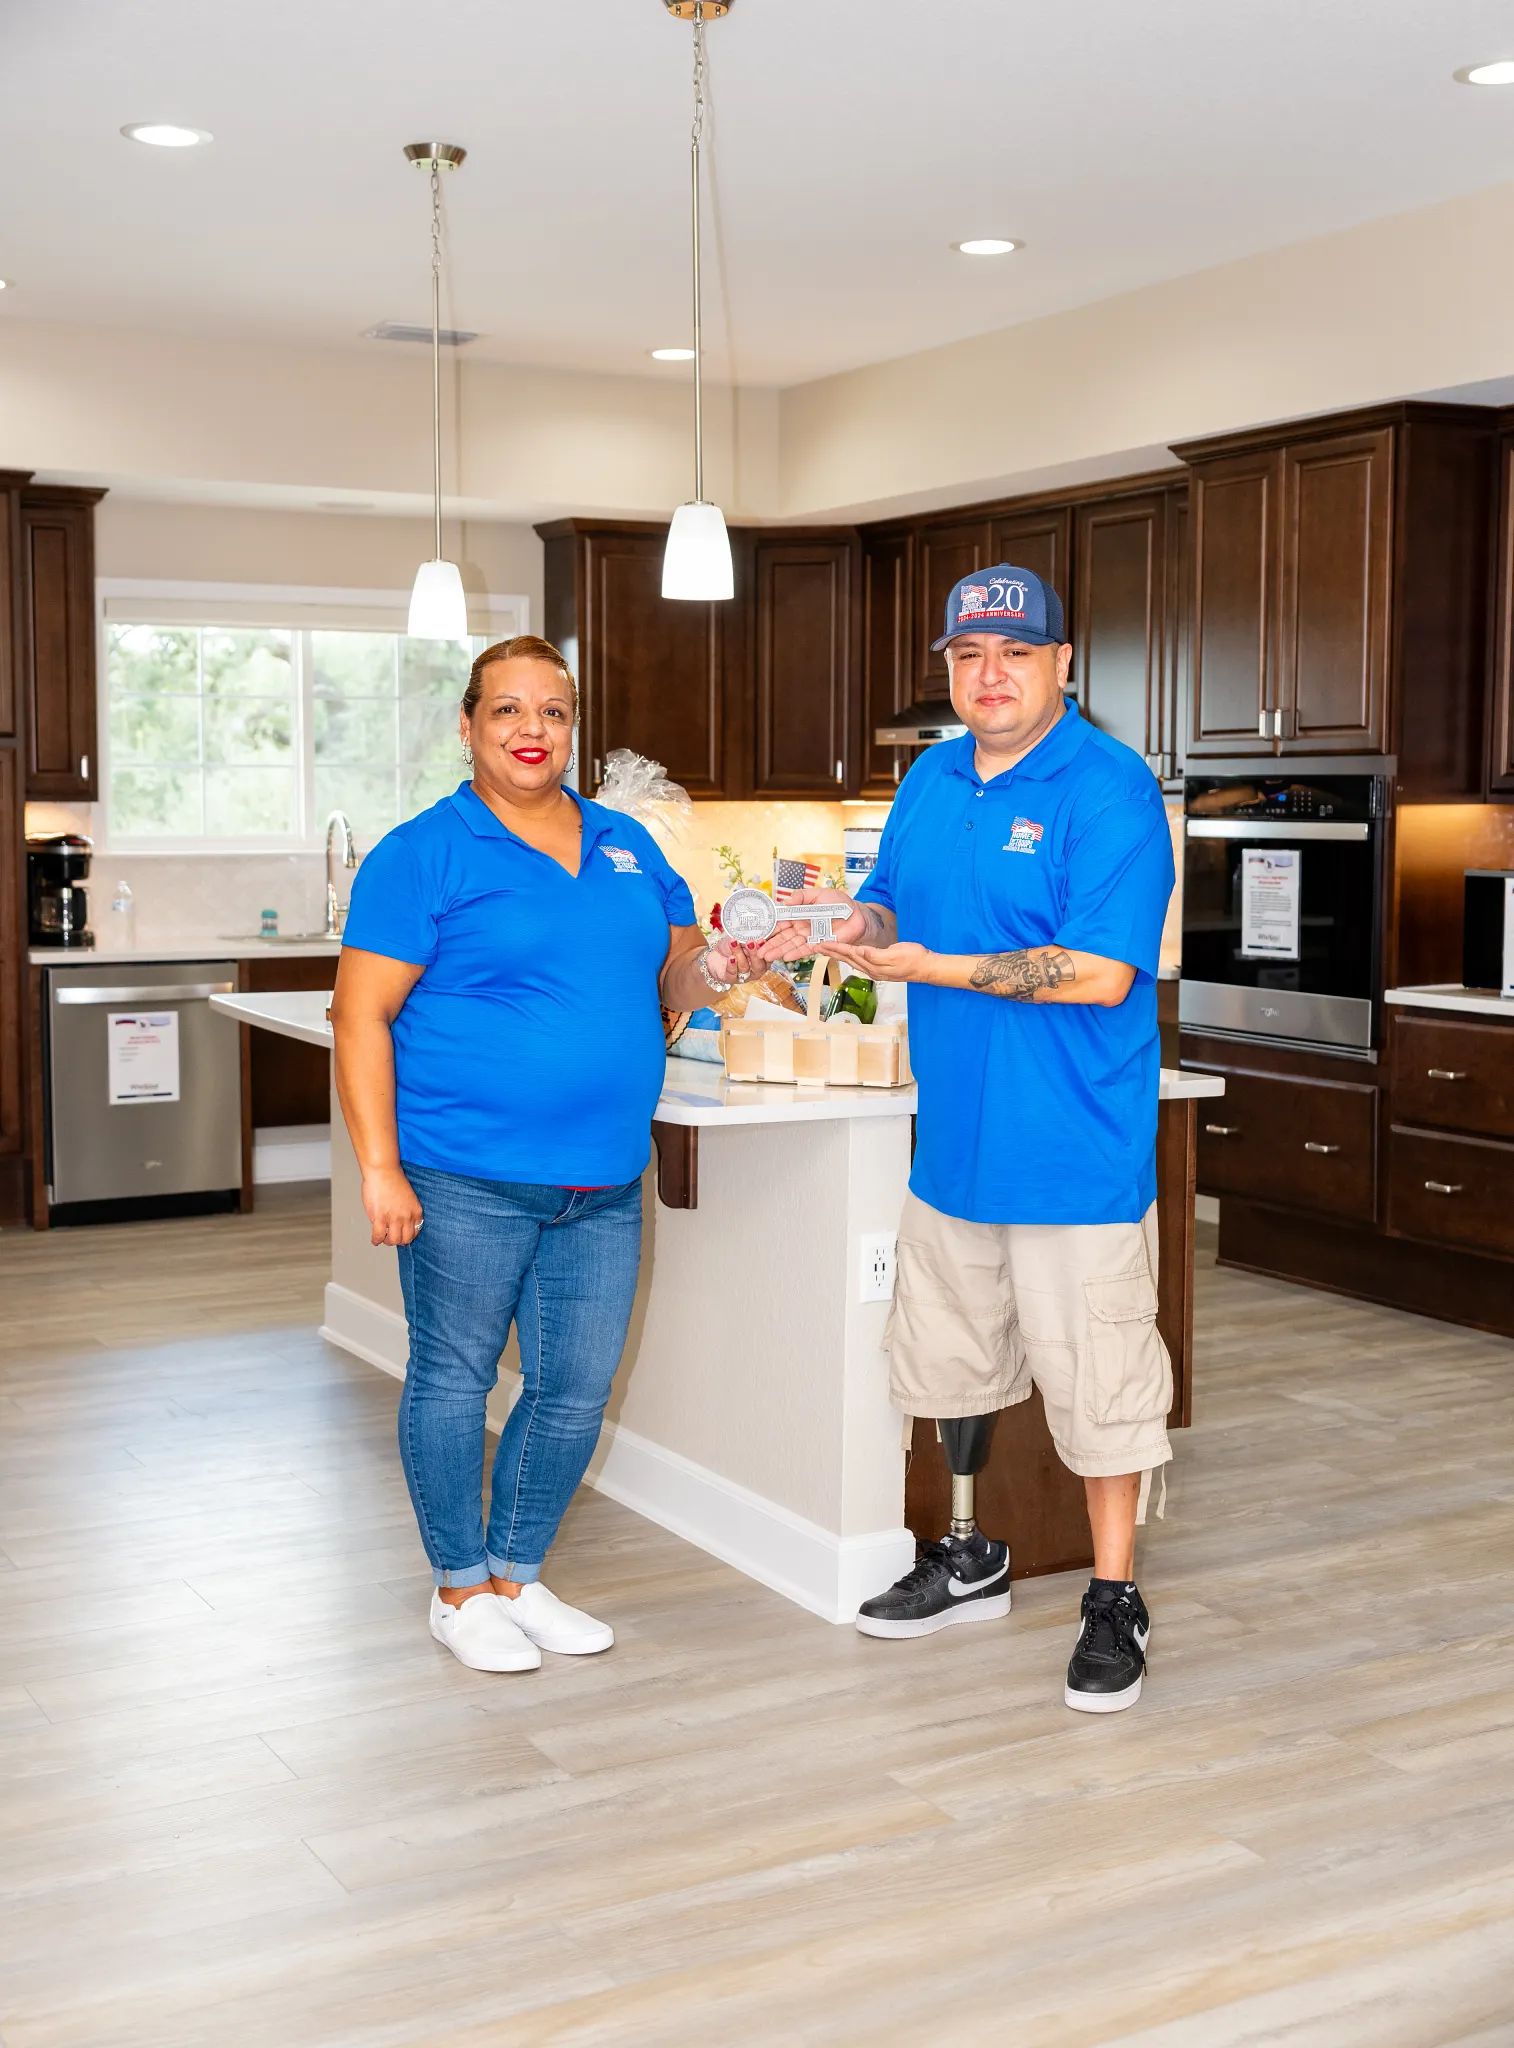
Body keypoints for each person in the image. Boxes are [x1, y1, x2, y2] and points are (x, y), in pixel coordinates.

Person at [762, 566, 1175, 1713]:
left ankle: (1111, 1596)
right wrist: (854, 923)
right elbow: (891, 900)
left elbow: (1095, 972)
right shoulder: (933, 777)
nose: (986, 677)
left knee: (1102, 1391)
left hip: (1073, 1156)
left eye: (1012, 654)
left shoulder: (1108, 788)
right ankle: (966, 1551)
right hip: (950, 1144)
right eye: (964, 657)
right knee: (947, 1361)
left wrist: (927, 966)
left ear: (1060, 661)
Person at [331, 634, 760, 1674]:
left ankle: (517, 1576)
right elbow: (358, 1013)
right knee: (452, 1375)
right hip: (462, 1173)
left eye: (553, 711)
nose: (533, 731)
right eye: (508, 711)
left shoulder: (624, 844)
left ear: (573, 725)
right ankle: (458, 1584)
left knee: (573, 1387)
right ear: (470, 726)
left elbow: (674, 980)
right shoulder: (423, 852)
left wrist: (724, 961)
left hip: (602, 1178)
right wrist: (380, 1167)